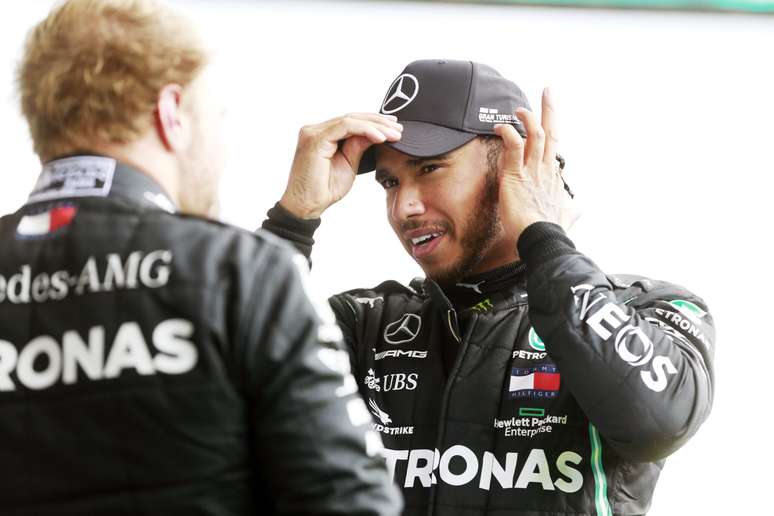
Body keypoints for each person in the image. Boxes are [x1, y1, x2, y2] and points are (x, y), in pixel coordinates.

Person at [262, 59, 715, 515]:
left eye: (430, 168)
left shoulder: (646, 309)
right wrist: (291, 221)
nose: (404, 207)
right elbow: (215, 401)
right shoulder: (365, 325)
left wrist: (545, 237)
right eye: (390, 182)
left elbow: (659, 422)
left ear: (511, 162)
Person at [0, 1, 402, 515]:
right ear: (172, 115)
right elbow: (352, 502)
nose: (221, 145)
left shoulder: (243, 273)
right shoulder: (243, 274)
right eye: (215, 115)